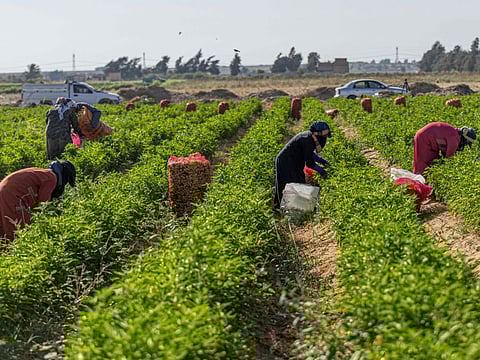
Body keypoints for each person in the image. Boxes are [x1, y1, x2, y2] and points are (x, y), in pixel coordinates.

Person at [0, 160, 76, 241]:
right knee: (21, 233)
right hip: (13, 197)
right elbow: (42, 205)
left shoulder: (42, 173)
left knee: (3, 231)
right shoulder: (51, 178)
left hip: (4, 192)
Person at [274, 121, 332, 208]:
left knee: (299, 183)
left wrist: (321, 161)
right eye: (324, 135)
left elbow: (309, 153)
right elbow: (309, 163)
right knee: (286, 184)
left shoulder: (311, 137)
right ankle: (278, 208)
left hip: (295, 161)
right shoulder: (307, 140)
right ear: (318, 134)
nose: (325, 138)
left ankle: (297, 207)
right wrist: (321, 170)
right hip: (285, 161)